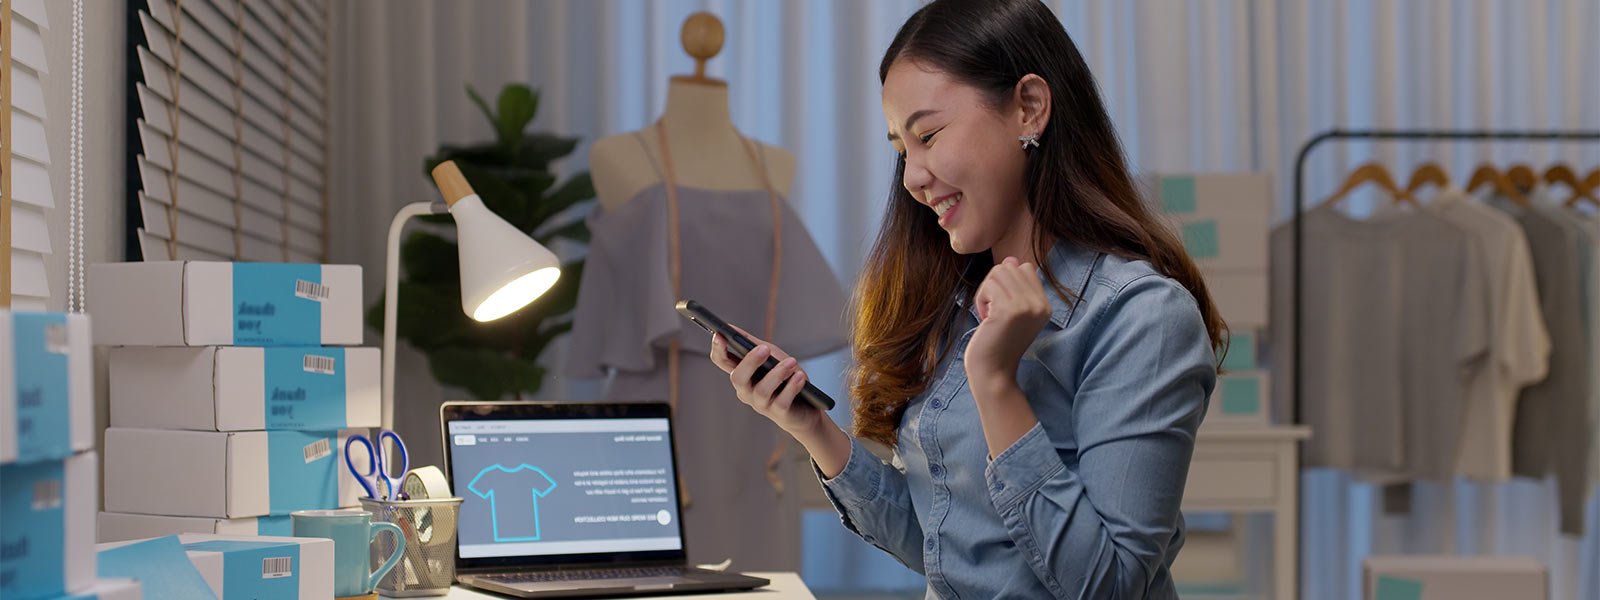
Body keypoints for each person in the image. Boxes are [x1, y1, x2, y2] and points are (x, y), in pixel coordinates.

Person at [707, 0, 1227, 598]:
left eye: (928, 135)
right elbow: (948, 546)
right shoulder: (955, 303)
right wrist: (811, 429)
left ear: (1028, 108)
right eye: (902, 148)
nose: (910, 177)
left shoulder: (1142, 318)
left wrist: (997, 384)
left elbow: (1109, 585)